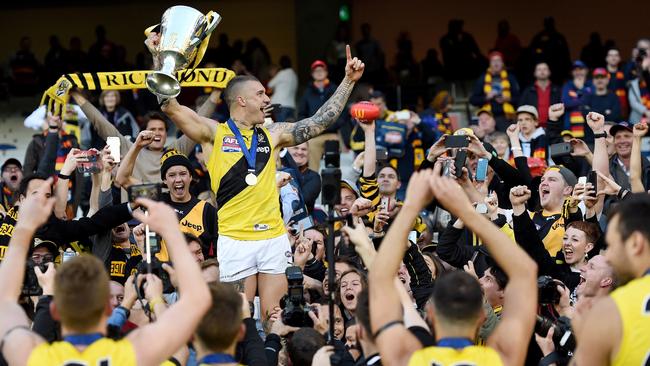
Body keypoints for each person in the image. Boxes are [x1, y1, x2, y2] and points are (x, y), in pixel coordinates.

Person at [158, 39, 365, 321]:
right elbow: (171, 107)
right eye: (260, 94)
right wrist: (162, 59)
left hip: (273, 238)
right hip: (234, 239)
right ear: (241, 100)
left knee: (275, 318)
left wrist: (347, 82)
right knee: (239, 321)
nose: (267, 99)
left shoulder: (274, 133)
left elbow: (320, 121)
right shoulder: (214, 133)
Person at [0, 179, 211, 365]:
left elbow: (4, 300)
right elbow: (198, 301)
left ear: (54, 311)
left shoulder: (32, 355)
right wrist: (171, 230)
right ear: (108, 309)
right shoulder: (130, 354)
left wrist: (24, 228)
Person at [368, 170, 537, 365]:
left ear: (430, 313)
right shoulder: (499, 357)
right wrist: (466, 211)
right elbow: (526, 272)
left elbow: (379, 278)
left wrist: (411, 205)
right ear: (482, 317)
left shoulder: (409, 358)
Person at [571, 194, 650, 365]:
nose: (609, 257)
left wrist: (584, 337)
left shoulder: (613, 308)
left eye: (612, 246)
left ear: (636, 243)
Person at [116, 137, 218, 259]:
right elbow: (121, 178)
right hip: (161, 275)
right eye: (172, 175)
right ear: (164, 180)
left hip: (194, 275)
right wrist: (137, 146)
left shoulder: (208, 210)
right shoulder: (155, 199)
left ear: (191, 177)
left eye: (183, 174)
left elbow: (218, 253)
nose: (178, 179)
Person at [71, 91, 195, 186]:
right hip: (133, 217)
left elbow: (198, 126)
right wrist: (76, 94)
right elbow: (101, 123)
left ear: (166, 133)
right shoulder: (131, 149)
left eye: (161, 129)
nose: (157, 133)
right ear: (143, 133)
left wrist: (214, 94)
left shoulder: (175, 151)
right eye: (152, 129)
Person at [297, 60, 344, 170]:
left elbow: (343, 112)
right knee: (312, 157)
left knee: (334, 161)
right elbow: (301, 114)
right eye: (316, 70)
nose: (319, 72)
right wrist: (310, 126)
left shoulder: (335, 89)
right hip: (314, 135)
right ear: (312, 74)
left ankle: (335, 182)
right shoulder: (307, 92)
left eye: (321, 70)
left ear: (326, 72)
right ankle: (315, 182)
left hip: (332, 133)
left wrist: (333, 125)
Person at [470, 51, 520, 131]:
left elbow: (520, 99)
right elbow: (473, 100)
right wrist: (486, 97)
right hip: (487, 118)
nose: (496, 63)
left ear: (503, 63)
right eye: (493, 61)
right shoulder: (483, 78)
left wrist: (507, 99)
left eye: (498, 60)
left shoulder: (510, 78)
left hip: (506, 117)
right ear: (490, 63)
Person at [518, 62, 561, 127]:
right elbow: (521, 109)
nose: (542, 71)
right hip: (533, 127)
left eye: (544, 69)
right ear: (534, 73)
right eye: (539, 69)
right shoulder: (528, 90)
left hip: (554, 126)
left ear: (549, 72)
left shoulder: (557, 90)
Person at [285, 142, 321, 213]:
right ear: (287, 150)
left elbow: (302, 200)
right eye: (296, 148)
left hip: (303, 221)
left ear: (308, 153)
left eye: (304, 149)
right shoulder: (278, 173)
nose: (299, 152)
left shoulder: (314, 177)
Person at [561, 60, 593, 139]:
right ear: (572, 72)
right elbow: (566, 103)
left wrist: (581, 88)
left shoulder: (591, 84)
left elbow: (592, 102)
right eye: (575, 70)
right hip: (571, 125)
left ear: (586, 71)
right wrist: (583, 97)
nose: (578, 72)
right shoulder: (568, 85)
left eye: (581, 69)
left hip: (589, 125)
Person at [268, 55, 298, 122]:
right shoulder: (294, 75)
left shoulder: (282, 73)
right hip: (291, 105)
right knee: (290, 128)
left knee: (280, 127)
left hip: (279, 104)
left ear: (281, 64)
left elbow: (270, 84)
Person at [606, 48, 629, 119]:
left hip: (622, 111)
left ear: (619, 59)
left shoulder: (624, 75)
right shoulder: (601, 75)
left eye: (616, 55)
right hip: (606, 110)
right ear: (606, 58)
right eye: (611, 55)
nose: (613, 57)